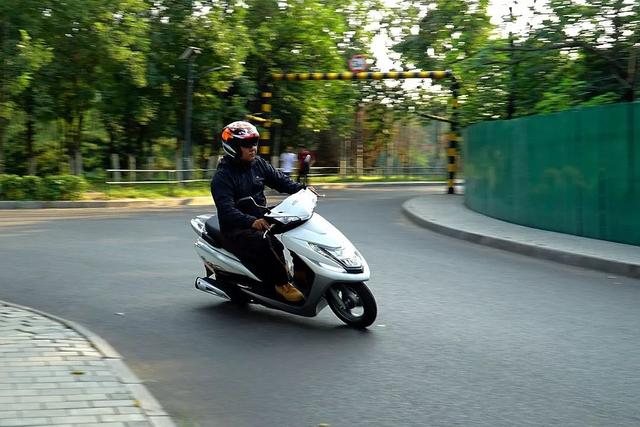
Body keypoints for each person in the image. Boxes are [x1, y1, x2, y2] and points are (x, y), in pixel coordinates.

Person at [211, 121, 307, 302]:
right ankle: (281, 284)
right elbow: (226, 210)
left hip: (260, 217)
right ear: (232, 147)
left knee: (298, 224)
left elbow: (281, 181)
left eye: (254, 143)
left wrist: (304, 189)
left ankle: (302, 272)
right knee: (265, 244)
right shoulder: (222, 177)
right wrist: (250, 221)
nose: (252, 148)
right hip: (236, 227)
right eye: (246, 144)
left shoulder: (258, 164)